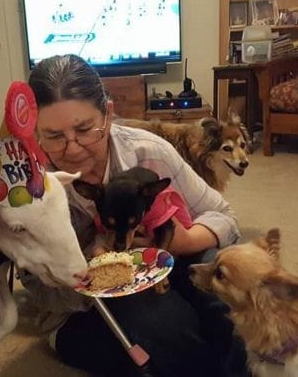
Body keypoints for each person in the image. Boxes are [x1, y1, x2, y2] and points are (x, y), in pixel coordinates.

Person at [22, 54, 247, 377]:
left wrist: (184, 241)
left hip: (167, 259)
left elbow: (223, 215)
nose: (72, 149)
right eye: (54, 137)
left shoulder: (148, 151)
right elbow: (36, 285)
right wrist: (93, 271)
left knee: (226, 302)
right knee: (165, 326)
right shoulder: (28, 187)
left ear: (109, 116)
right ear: (35, 132)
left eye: (86, 129)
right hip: (83, 307)